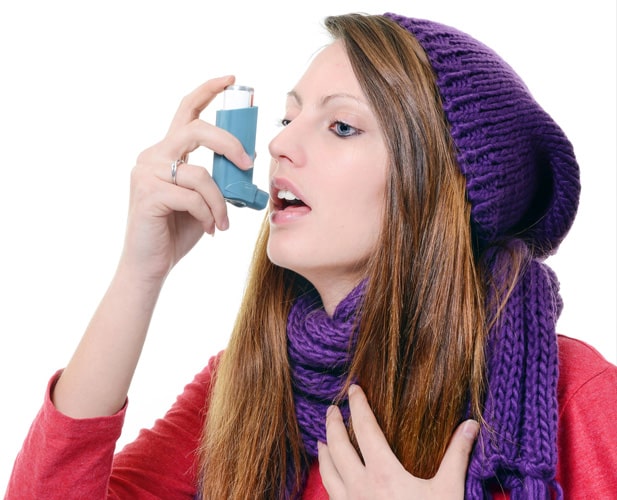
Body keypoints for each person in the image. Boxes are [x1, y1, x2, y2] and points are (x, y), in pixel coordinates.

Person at [5, 11, 617, 500]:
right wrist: (140, 274)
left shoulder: (573, 396)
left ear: (443, 187)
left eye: (342, 127)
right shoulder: (250, 384)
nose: (277, 144)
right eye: (287, 117)